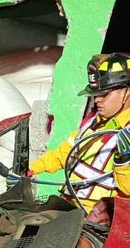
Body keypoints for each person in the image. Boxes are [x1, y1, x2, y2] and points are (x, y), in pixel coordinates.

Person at [29, 52, 130, 212]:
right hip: (70, 207)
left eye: (104, 94)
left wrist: (124, 163)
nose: (97, 100)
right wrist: (31, 171)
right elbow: (65, 152)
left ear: (127, 91)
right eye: (95, 94)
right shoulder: (95, 120)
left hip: (99, 220)